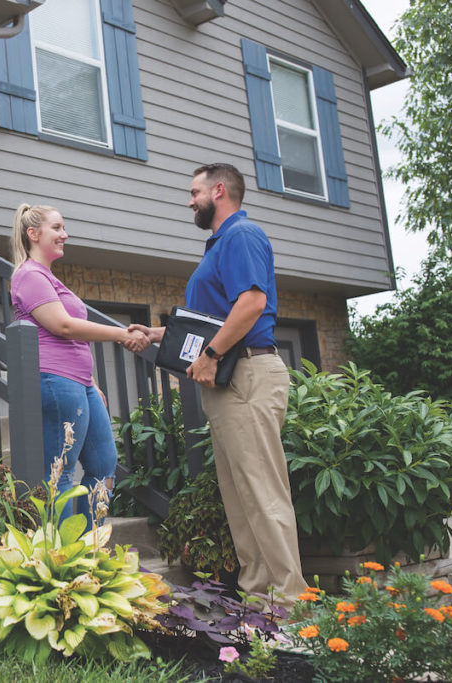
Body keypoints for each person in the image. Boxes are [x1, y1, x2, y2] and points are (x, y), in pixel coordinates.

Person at [129, 164, 307, 603]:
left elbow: (251, 303)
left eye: (195, 192)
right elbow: (210, 322)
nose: (190, 201)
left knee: (263, 492)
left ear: (220, 190)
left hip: (245, 374)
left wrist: (210, 356)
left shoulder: (241, 237)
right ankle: (259, 597)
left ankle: (291, 603)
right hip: (229, 381)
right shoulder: (219, 246)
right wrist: (158, 336)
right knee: (240, 496)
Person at [9, 203, 149, 527]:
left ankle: (91, 547)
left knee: (103, 465)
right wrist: (121, 333)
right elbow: (64, 326)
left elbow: (73, 338)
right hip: (56, 382)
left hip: (80, 384)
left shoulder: (48, 277)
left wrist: (92, 383)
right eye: (57, 228)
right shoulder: (28, 275)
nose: (64, 234)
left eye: (63, 228)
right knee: (59, 473)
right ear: (33, 233)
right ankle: (64, 560)